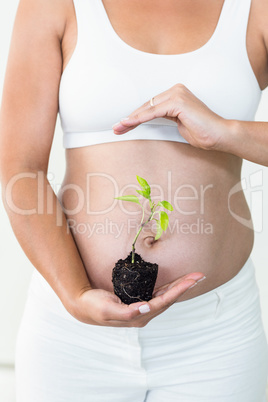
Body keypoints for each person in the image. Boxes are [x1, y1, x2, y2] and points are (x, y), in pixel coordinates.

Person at [0, 0, 268, 400]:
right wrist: (74, 296)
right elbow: (20, 168)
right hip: (75, 335)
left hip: (214, 333)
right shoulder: (53, 5)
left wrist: (226, 131)